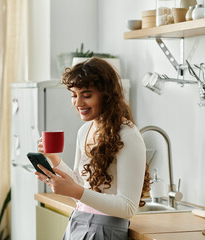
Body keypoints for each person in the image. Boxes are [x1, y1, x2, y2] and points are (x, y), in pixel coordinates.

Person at [36, 57, 150, 240]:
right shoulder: (85, 131)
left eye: (87, 95)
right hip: (78, 221)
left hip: (106, 231)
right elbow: (81, 190)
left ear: (106, 94)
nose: (78, 102)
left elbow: (128, 207)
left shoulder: (128, 135)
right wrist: (54, 160)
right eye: (74, 95)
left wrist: (75, 191)